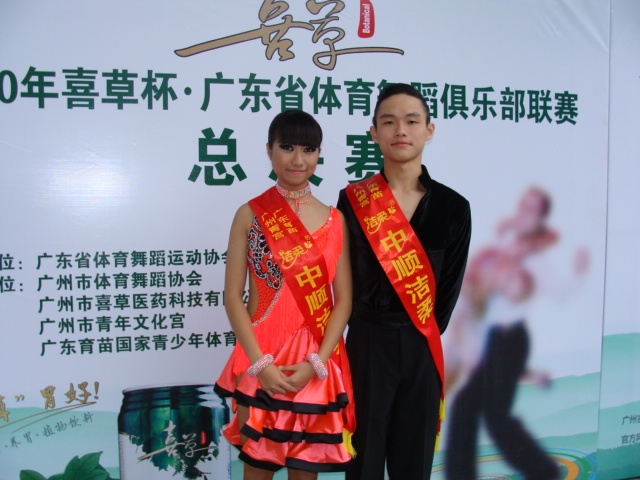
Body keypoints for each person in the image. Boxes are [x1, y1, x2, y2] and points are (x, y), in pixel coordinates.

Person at [337, 83, 472, 480]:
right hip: (365, 347)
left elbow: (448, 293)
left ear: (429, 130)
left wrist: (416, 334)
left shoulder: (453, 207)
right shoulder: (353, 201)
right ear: (373, 133)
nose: (400, 130)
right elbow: (342, 283)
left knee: (413, 465)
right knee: (361, 464)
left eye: (412, 121)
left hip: (421, 348)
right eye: (389, 121)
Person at [215, 109, 355, 479]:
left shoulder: (335, 220)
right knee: (257, 468)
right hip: (260, 357)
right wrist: (260, 364)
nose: (298, 159)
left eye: (309, 150)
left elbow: (343, 300)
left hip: (313, 362)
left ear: (319, 153)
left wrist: (317, 362)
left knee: (305, 471)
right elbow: (233, 297)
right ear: (269, 149)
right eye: (287, 147)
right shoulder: (250, 214)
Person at [442, 187, 586, 480]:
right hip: (494, 340)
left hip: (511, 341)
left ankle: (544, 472)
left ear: (539, 218)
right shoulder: (508, 246)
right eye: (523, 205)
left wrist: (579, 273)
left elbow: (559, 292)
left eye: (531, 209)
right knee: (467, 406)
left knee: (495, 417)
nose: (523, 212)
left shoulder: (535, 259)